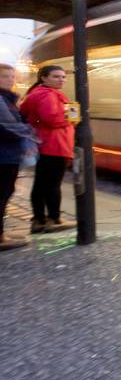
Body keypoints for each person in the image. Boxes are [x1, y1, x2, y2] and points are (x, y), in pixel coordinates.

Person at [19, 65, 76, 233]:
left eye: (63, 77)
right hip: (54, 145)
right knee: (52, 184)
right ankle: (54, 219)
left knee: (41, 184)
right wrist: (73, 118)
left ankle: (39, 220)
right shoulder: (47, 95)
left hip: (45, 144)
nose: (61, 80)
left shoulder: (37, 93)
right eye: (56, 76)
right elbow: (52, 119)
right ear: (43, 78)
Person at [0, 64, 33, 249]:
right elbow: (8, 128)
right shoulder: (1, 99)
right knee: (2, 193)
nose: (10, 80)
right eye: (5, 76)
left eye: (12, 76)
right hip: (4, 155)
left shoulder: (7, 98)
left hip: (8, 154)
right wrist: (28, 132)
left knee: (5, 192)